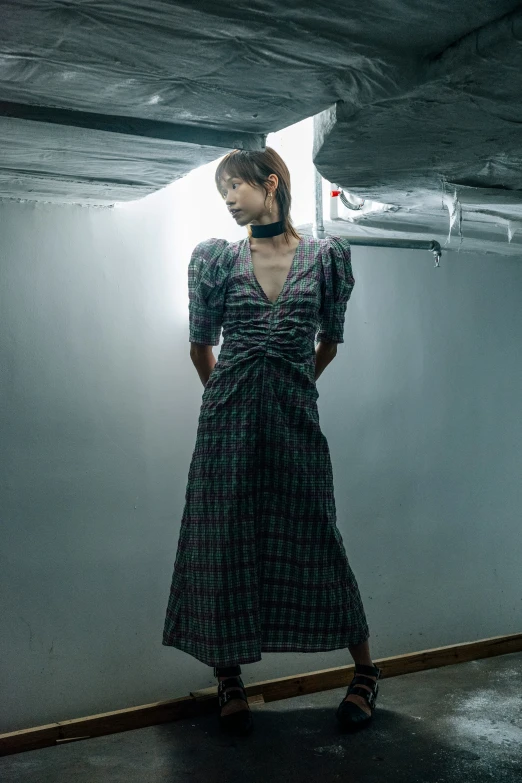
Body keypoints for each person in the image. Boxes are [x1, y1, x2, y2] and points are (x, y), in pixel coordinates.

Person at [162, 147, 382, 736]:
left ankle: (365, 671)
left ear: (271, 182)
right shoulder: (216, 260)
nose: (229, 200)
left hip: (293, 417)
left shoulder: (325, 258)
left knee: (315, 530)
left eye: (234, 186)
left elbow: (328, 341)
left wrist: (292, 384)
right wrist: (228, 397)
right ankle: (228, 676)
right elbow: (199, 346)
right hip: (227, 423)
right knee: (225, 537)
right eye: (221, 192)